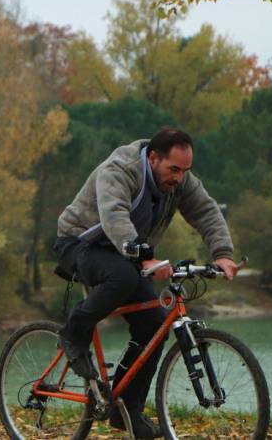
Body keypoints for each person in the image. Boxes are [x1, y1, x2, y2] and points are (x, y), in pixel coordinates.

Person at [53, 127, 237, 438]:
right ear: (153, 158)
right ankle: (74, 331)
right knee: (123, 275)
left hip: (124, 255)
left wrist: (222, 254)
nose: (179, 178)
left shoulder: (180, 182)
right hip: (79, 244)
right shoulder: (121, 169)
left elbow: (206, 211)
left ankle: (125, 407)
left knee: (154, 323)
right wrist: (143, 257)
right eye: (174, 169)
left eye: (185, 171)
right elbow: (114, 215)